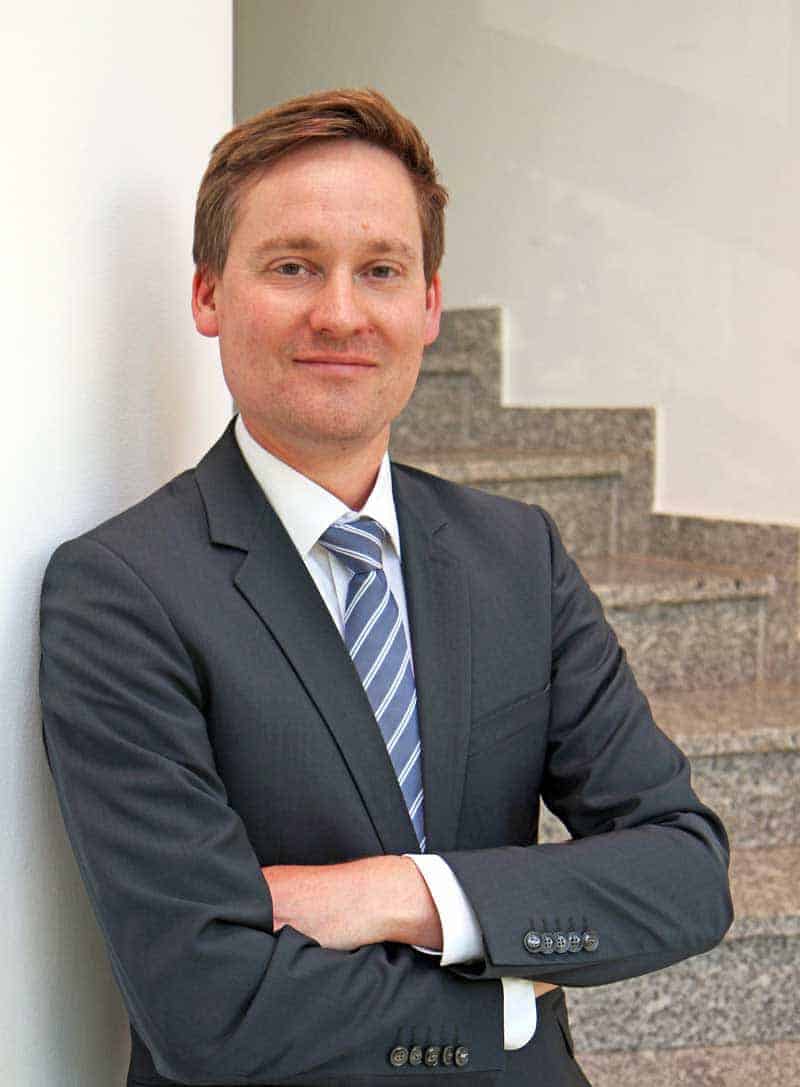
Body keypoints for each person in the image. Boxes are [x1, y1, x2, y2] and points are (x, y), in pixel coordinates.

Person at [39, 88, 733, 1087]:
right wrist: (507, 997)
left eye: (380, 270)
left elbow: (684, 872)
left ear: (429, 305)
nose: (340, 312)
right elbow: (204, 1004)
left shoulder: (517, 554)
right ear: (208, 295)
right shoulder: (121, 590)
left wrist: (401, 892)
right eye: (292, 266)